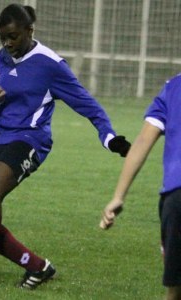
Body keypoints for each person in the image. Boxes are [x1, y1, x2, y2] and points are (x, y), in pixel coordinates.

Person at [0, 3, 131, 290]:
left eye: (13, 36)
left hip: (30, 139)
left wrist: (109, 137)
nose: (8, 43)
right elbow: (4, 98)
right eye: (3, 38)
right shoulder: (3, 57)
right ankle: (37, 266)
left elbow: (89, 105)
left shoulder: (51, 65)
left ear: (29, 30)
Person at [100, 73, 181, 300]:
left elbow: (143, 141)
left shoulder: (174, 87)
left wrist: (119, 196)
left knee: (175, 292)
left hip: (177, 195)